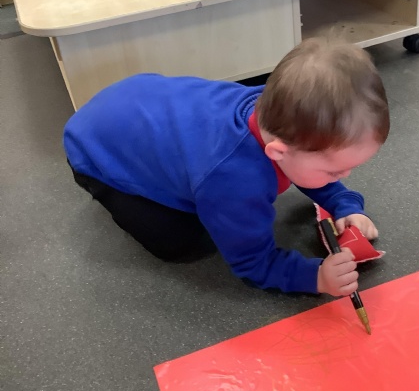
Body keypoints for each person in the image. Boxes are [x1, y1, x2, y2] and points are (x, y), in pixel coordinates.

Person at [63, 36, 389, 297]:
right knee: (179, 242)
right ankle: (112, 188)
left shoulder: (278, 112)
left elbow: (307, 166)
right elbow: (253, 263)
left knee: (221, 206)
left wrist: (342, 202)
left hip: (134, 100)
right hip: (94, 151)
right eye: (334, 172)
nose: (344, 175)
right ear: (278, 152)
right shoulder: (235, 180)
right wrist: (313, 276)